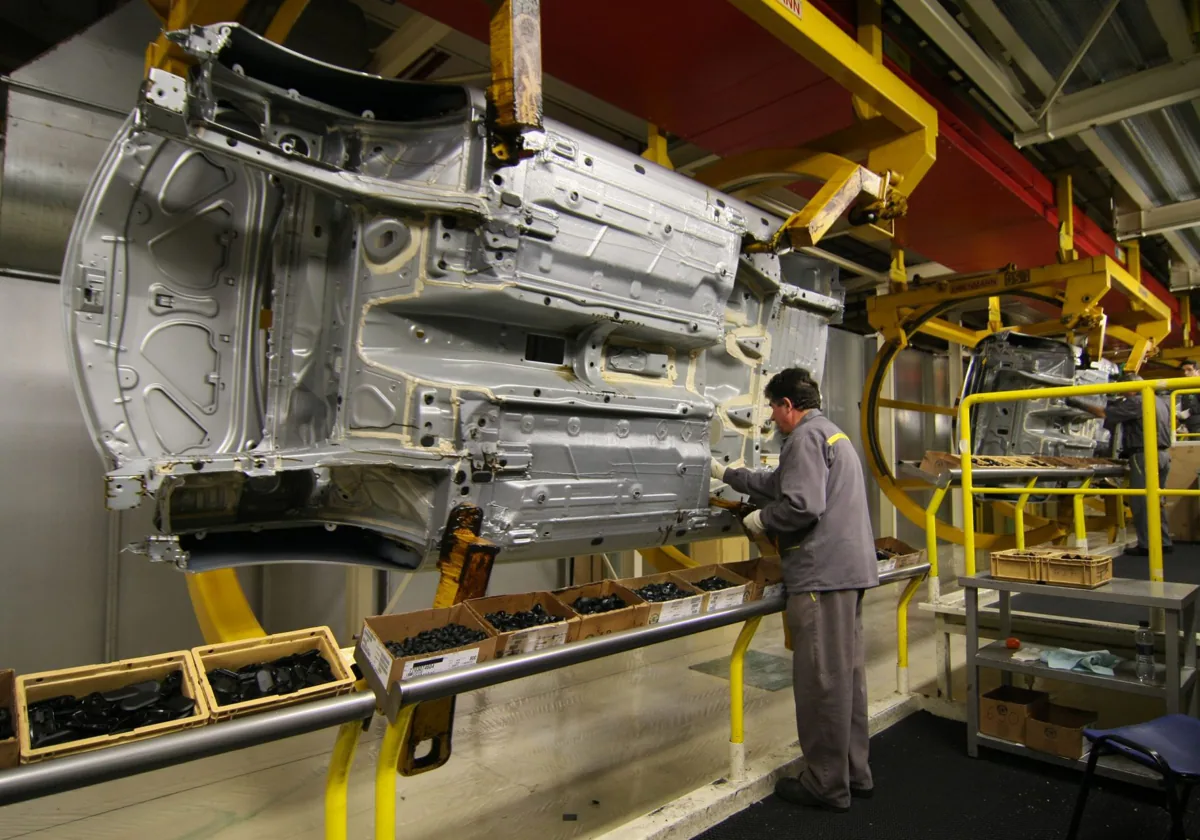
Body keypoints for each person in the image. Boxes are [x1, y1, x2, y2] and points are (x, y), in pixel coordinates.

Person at [710, 367, 878, 813]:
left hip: (821, 576)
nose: (771, 416)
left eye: (772, 407)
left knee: (821, 680)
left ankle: (825, 784)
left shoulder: (803, 437)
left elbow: (802, 504)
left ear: (788, 405)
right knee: (846, 679)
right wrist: (727, 473)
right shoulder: (831, 434)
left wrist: (762, 520)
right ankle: (853, 773)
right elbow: (779, 483)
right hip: (848, 572)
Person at [1067, 373, 1173, 557]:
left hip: (1145, 456)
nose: (1119, 392)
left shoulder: (1136, 401)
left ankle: (1147, 546)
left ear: (1130, 387)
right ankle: (1164, 542)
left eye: (1121, 388)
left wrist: (1075, 402)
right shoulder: (1159, 401)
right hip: (1163, 456)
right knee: (1157, 501)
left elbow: (1102, 413)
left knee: (1142, 502)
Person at [1177, 360, 1200, 439]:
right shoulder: (1187, 387)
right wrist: (1182, 423)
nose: (1185, 373)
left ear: (1198, 371)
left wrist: (1189, 412)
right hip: (1191, 427)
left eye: (1189, 370)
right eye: (1184, 370)